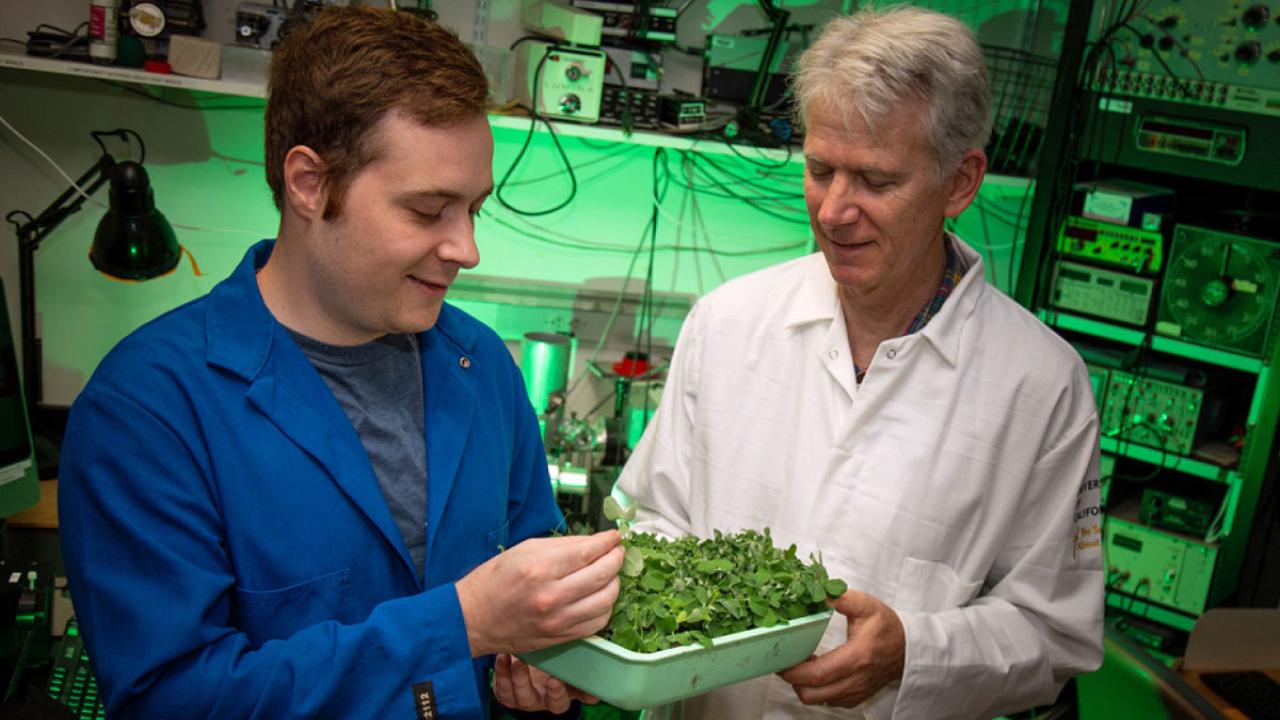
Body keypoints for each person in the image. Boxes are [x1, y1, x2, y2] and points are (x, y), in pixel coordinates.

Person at [57, 7, 621, 719]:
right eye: (427, 210)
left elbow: (536, 595)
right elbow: (169, 700)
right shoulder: (148, 410)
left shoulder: (483, 369)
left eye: (475, 209)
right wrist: (462, 622)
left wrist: (537, 661)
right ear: (308, 184)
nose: (466, 248)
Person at [616, 6, 1104, 719]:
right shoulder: (728, 323)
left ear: (961, 182)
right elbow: (653, 523)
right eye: (820, 170)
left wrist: (914, 650)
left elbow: (1054, 634)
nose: (834, 211)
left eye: (875, 181)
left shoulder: (1041, 386)